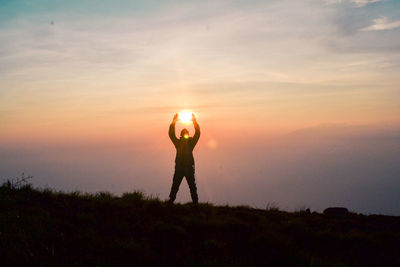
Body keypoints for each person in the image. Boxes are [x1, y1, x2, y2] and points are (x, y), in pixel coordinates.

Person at [168, 113, 200, 204]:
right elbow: (197, 134)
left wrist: (174, 122)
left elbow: (171, 134)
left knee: (181, 186)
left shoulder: (181, 143)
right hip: (184, 168)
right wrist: (194, 122)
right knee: (180, 186)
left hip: (183, 167)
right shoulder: (189, 143)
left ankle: (194, 203)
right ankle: (195, 203)